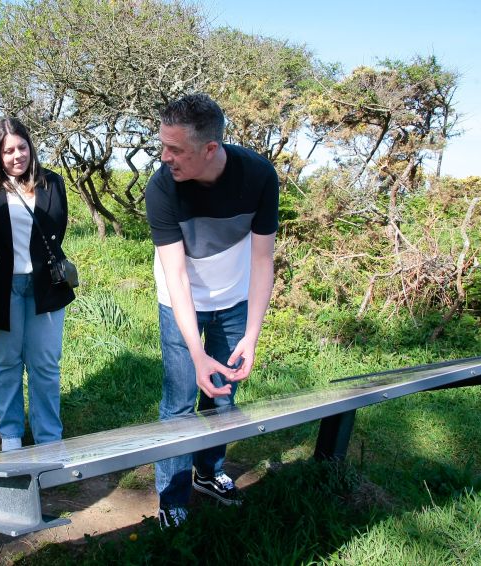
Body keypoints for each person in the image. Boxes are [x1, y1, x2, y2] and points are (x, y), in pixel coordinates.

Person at [145, 94, 279, 528]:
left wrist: (252, 336)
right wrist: (196, 352)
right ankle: (172, 492)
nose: (165, 158)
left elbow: (262, 261)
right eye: (162, 146)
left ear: (210, 148)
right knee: (181, 400)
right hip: (180, 300)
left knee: (222, 395)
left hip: (234, 298)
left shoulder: (257, 176)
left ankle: (208, 472)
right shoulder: (162, 187)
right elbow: (177, 278)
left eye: (175, 149)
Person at [0, 118, 75, 451]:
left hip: (44, 285)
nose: (17, 155)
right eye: (8, 150)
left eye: (22, 147)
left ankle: (48, 438)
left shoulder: (51, 182)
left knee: (44, 363)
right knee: (6, 363)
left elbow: (58, 229)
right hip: (0, 287)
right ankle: (11, 434)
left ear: (31, 146)